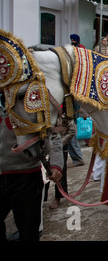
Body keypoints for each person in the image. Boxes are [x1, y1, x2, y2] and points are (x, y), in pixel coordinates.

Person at [1, 95, 63, 241]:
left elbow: (53, 136)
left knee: (29, 232)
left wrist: (56, 165)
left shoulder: (32, 101)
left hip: (26, 178)